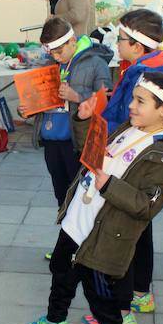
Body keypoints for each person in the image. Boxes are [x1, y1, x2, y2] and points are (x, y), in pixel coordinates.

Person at [28, 72, 163, 324]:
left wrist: (107, 185)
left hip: (106, 235)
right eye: (133, 98)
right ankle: (55, 319)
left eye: (140, 101)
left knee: (100, 294)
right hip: (78, 219)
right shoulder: (129, 128)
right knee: (61, 270)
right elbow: (91, 153)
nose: (131, 105)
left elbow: (147, 205)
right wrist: (83, 121)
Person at [83, 8, 163, 320]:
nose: (117, 45)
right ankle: (142, 292)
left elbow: (120, 116)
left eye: (121, 39)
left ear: (138, 46)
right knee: (141, 228)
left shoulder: (139, 75)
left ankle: (122, 308)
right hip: (151, 155)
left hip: (136, 158)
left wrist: (99, 133)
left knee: (124, 233)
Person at [28, 16, 112, 208]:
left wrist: (77, 96)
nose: (56, 57)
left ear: (72, 41)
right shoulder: (50, 64)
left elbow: (106, 102)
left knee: (79, 194)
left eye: (59, 52)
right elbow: (40, 98)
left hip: (76, 142)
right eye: (52, 52)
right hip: (51, 139)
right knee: (60, 193)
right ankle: (65, 226)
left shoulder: (95, 63)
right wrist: (29, 108)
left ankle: (77, 233)